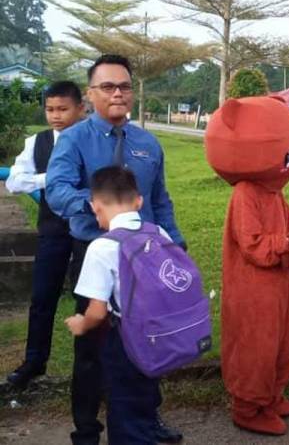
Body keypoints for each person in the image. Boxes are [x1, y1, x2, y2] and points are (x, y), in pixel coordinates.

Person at [46, 55, 183, 445]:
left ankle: (145, 421)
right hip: (96, 254)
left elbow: (160, 199)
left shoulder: (147, 143)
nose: (118, 93)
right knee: (92, 346)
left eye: (123, 86)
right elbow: (57, 190)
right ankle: (87, 430)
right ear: (90, 94)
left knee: (146, 343)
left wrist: (176, 245)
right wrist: (100, 208)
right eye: (107, 86)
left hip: (146, 261)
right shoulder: (75, 139)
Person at [204, 96, 289, 435]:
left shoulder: (274, 191)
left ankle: (271, 395)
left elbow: (286, 229)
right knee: (255, 344)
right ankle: (248, 406)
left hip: (280, 282)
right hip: (253, 287)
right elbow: (253, 245)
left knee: (284, 339)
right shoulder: (245, 193)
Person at [65, 166, 167, 444]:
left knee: (124, 414)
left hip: (125, 343)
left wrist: (80, 323)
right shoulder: (158, 232)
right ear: (139, 202)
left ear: (95, 206)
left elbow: (97, 312)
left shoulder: (102, 247)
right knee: (144, 403)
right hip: (157, 338)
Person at [5, 81, 85, 388]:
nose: (55, 116)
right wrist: (51, 178)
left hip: (87, 229)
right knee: (41, 297)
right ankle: (34, 362)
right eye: (50, 109)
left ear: (81, 108)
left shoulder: (90, 140)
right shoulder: (36, 142)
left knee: (87, 297)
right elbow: (14, 181)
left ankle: (87, 366)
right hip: (52, 229)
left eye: (63, 109)